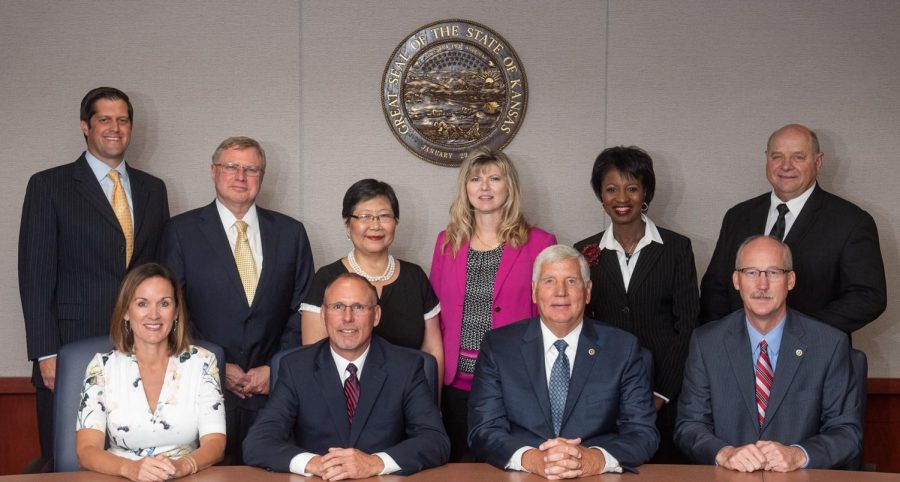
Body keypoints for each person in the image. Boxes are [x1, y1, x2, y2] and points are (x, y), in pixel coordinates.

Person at [19, 86, 170, 464]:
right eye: (104, 119)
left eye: (122, 120)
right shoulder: (48, 186)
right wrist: (46, 352)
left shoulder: (153, 189)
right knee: (67, 460)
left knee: (131, 458)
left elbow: (157, 272)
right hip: (70, 349)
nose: (114, 128)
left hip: (139, 352)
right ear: (85, 126)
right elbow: (35, 274)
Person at [160, 136, 313, 464]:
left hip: (273, 392)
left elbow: (303, 308)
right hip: (203, 389)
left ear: (262, 177)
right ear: (214, 172)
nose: (240, 176)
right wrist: (215, 364)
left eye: (251, 169)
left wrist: (275, 368)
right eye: (231, 167)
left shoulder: (291, 233)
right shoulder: (180, 232)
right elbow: (172, 310)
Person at [468, 245, 659, 477]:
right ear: (534, 292)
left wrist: (594, 459)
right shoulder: (499, 346)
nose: (561, 292)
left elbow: (642, 433)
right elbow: (484, 429)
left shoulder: (623, 348)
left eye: (571, 281)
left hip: (596, 477)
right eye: (549, 281)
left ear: (587, 291)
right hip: (523, 475)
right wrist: (532, 459)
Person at [676, 236, 861, 472]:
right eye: (751, 272)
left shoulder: (829, 344)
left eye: (773, 272)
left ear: (790, 280)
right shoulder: (707, 343)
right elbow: (689, 426)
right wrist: (724, 453)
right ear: (736, 280)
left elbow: (847, 432)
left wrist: (799, 455)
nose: (762, 285)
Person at [243, 273, 450, 478]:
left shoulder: (405, 367)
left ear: (376, 315)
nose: (347, 318)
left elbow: (435, 440)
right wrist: (315, 463)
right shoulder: (296, 368)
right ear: (323, 314)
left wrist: (376, 463)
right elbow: (257, 443)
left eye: (359, 307)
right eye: (338, 307)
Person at [429, 147, 557, 461]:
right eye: (476, 179)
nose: (485, 187)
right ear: (466, 188)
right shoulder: (447, 242)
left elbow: (551, 317)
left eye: (494, 178)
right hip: (455, 384)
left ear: (508, 186)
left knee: (509, 465)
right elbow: (433, 318)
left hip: (514, 381)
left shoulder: (540, 242)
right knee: (458, 467)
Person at [573, 146, 698, 463]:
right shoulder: (583, 251)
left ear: (646, 193)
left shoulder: (676, 249)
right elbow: (580, 327)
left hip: (666, 393)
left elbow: (687, 328)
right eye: (611, 189)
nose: (621, 198)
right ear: (601, 196)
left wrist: (661, 394)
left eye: (632, 188)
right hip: (603, 396)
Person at [700, 124, 886, 334]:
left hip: (815, 354)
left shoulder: (852, 222)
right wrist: (722, 339)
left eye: (798, 157)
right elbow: (715, 289)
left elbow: (867, 296)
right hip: (738, 352)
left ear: (818, 162)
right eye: (777, 156)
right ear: (766, 159)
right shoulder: (738, 216)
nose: (786, 166)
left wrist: (798, 332)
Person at [76, 263, 225, 481]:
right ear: (126, 312)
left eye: (164, 303)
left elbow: (216, 443)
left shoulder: (202, 362)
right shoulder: (102, 367)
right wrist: (130, 469)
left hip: (185, 477)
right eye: (142, 304)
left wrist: (182, 466)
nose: (153, 315)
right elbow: (87, 450)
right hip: (120, 477)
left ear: (175, 312)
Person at [300, 179, 443, 384]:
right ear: (347, 224)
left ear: (395, 222)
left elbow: (432, 351)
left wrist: (432, 408)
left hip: (409, 398)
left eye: (384, 216)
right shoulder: (327, 278)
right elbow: (314, 358)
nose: (375, 226)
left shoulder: (415, 277)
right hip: (343, 400)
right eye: (365, 216)